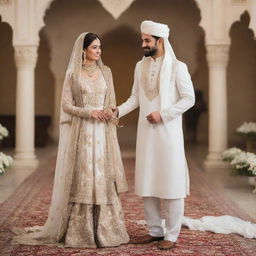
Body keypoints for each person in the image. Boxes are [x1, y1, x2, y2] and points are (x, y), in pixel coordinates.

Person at [12, 32, 129, 248]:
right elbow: (66, 106)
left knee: (102, 176)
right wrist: (89, 112)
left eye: (99, 47)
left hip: (102, 134)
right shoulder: (73, 74)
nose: (98, 51)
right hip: (83, 133)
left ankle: (106, 231)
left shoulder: (106, 72)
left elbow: (111, 102)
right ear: (83, 50)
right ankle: (80, 233)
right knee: (84, 176)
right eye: (94, 47)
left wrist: (107, 112)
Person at [114, 20, 195, 250]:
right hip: (146, 134)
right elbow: (135, 99)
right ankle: (155, 231)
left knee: (171, 181)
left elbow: (189, 99)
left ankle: (172, 234)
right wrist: (117, 110)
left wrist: (165, 114)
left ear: (160, 41)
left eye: (147, 40)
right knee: (148, 179)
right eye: (142, 39)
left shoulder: (179, 67)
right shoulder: (139, 67)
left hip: (168, 133)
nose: (143, 43)